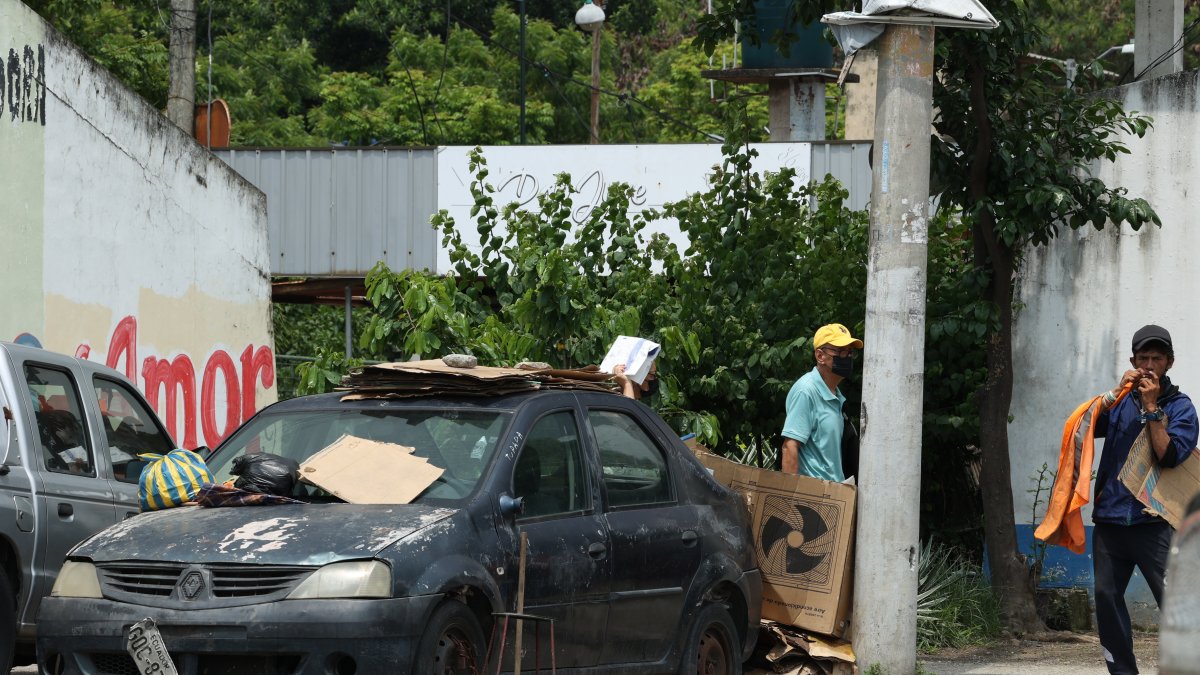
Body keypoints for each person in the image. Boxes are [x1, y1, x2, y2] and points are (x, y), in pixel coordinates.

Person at [1092, 324, 1198, 675]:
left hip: (1155, 524)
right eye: (1143, 358)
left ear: (1170, 362)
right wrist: (1113, 394)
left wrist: (1152, 408)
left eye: (1157, 358)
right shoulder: (1120, 402)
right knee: (1106, 598)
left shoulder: (1181, 407)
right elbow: (1085, 427)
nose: (1149, 365)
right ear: (1133, 362)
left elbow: (1170, 456)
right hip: (1110, 521)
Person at [781, 323, 863, 482]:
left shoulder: (836, 396)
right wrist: (791, 494)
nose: (846, 357)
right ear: (820, 356)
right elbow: (789, 446)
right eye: (840, 351)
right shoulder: (806, 391)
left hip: (834, 492)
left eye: (849, 352)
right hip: (812, 494)